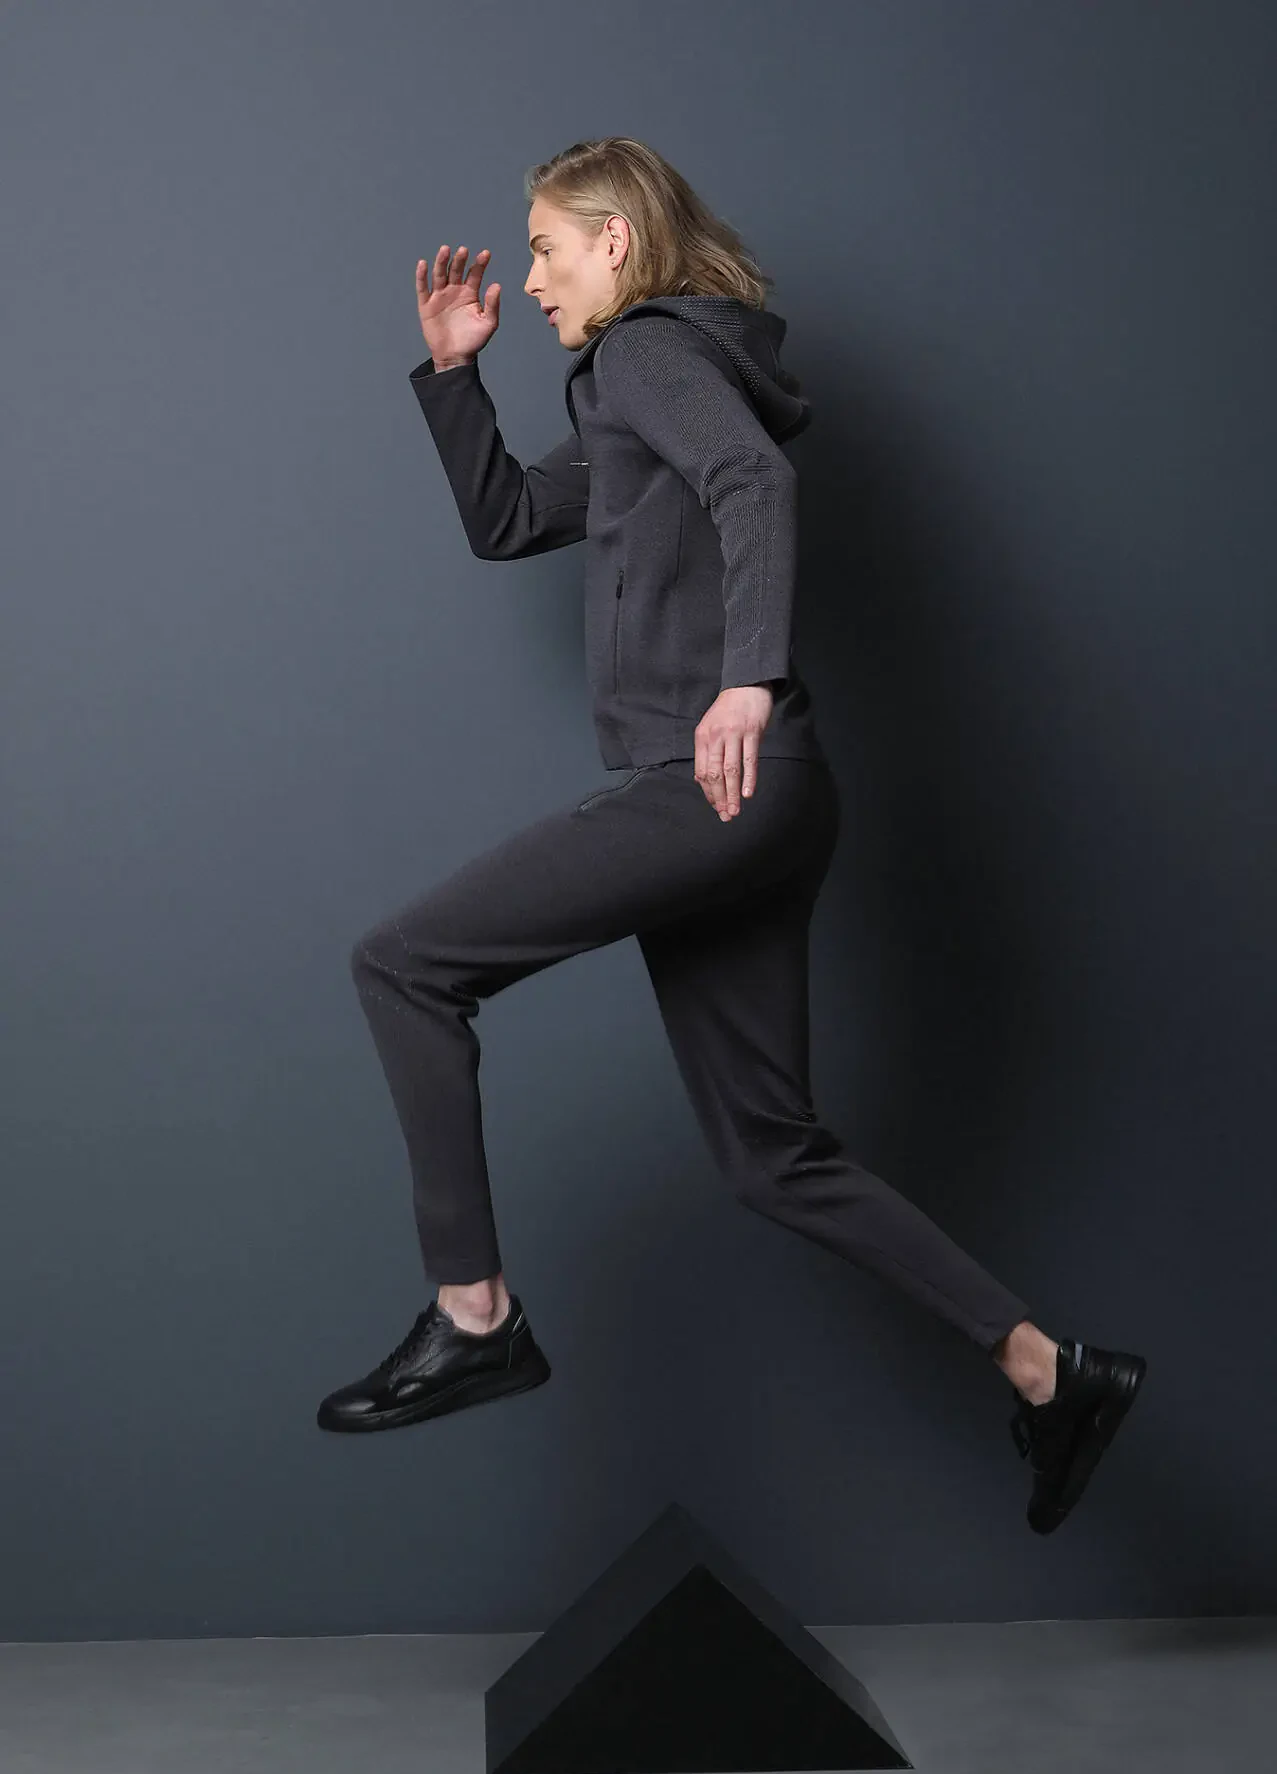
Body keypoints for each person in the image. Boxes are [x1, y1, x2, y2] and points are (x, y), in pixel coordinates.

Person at [316, 138, 1146, 1535]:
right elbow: (512, 518)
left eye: (545, 250)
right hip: (770, 797)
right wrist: (455, 376)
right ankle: (1052, 1374)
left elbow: (754, 485)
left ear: (617, 242)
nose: (532, 280)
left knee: (403, 965)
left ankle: (474, 1313)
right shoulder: (645, 387)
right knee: (774, 1155)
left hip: (716, 783)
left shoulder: (645, 351)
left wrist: (745, 676)